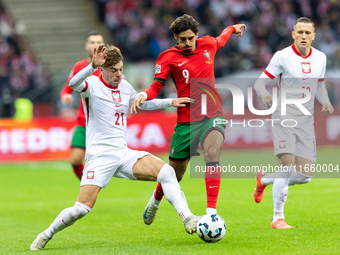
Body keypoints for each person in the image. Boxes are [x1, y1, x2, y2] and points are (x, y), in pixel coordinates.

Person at [30, 44, 200, 250]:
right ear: (102, 69)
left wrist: (171, 101)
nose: (119, 74)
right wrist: (91, 66)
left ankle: (188, 218)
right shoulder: (91, 84)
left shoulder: (125, 86)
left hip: (123, 153)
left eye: (121, 69)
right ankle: (47, 234)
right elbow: (74, 83)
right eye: (114, 70)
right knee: (81, 209)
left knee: (166, 172)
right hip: (100, 157)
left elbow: (142, 103)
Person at [131, 14, 246, 224]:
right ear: (175, 36)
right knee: (175, 174)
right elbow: (157, 85)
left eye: (191, 38)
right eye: (182, 39)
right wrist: (143, 95)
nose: (187, 43)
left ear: (197, 35)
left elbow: (222, 37)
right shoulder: (167, 57)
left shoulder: (208, 44)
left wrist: (233, 27)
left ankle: (211, 212)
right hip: (186, 121)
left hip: (212, 115)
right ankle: (156, 199)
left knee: (212, 154)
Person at [253, 17, 334, 229]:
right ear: (293, 34)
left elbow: (320, 86)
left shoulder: (321, 58)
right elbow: (260, 83)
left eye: (308, 33)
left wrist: (325, 101)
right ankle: (277, 218)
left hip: (306, 120)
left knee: (305, 176)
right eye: (300, 32)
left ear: (313, 36)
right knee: (287, 166)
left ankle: (264, 180)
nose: (304, 36)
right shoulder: (282, 56)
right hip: (284, 116)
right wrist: (264, 94)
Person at [60, 31, 104, 179]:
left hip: (102, 125)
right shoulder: (79, 66)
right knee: (75, 160)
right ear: (86, 46)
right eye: (92, 42)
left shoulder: (110, 66)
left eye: (99, 42)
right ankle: (88, 184)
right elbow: (67, 89)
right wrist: (65, 95)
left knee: (103, 163)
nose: (95, 45)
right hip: (83, 123)